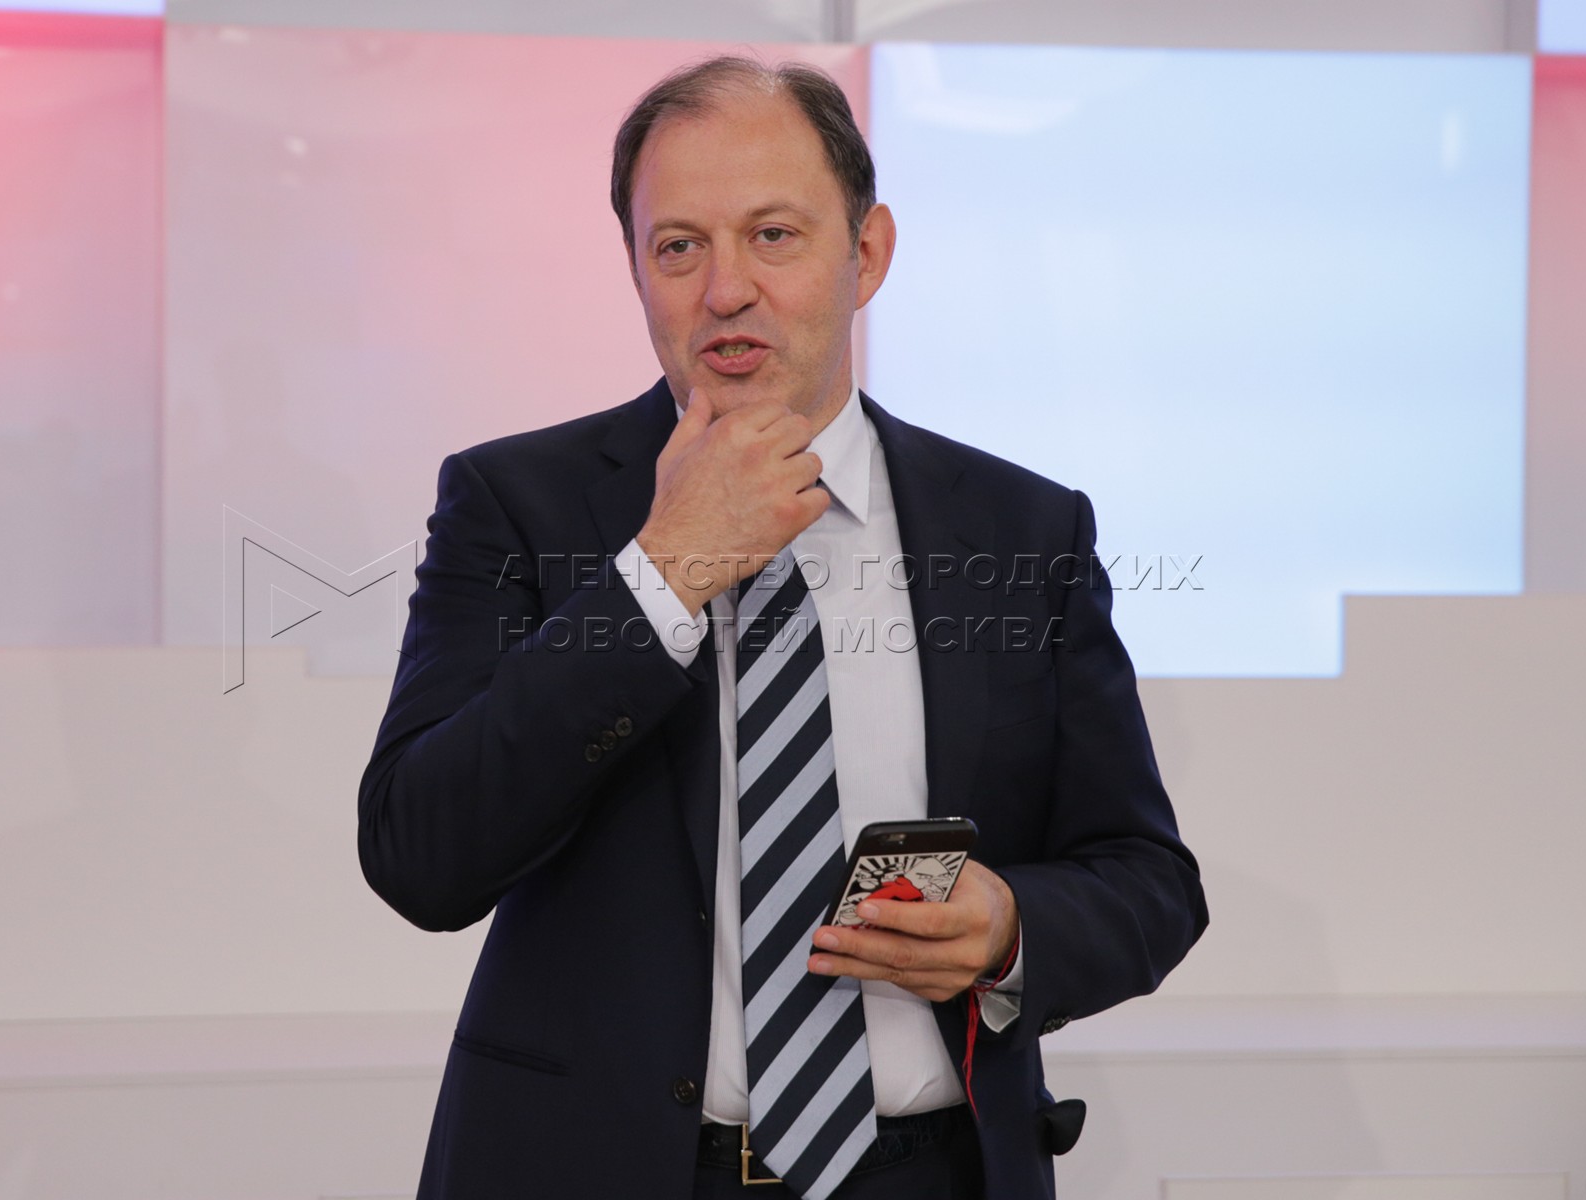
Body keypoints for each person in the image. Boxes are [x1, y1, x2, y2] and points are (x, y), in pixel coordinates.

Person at [358, 55, 1207, 1200]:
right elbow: (420, 856)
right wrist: (663, 573)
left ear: (868, 254)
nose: (725, 290)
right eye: (679, 247)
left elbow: (1146, 882)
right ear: (635, 268)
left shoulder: (1024, 530)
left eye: (773, 235)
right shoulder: (515, 505)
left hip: (927, 1176)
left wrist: (1011, 929)